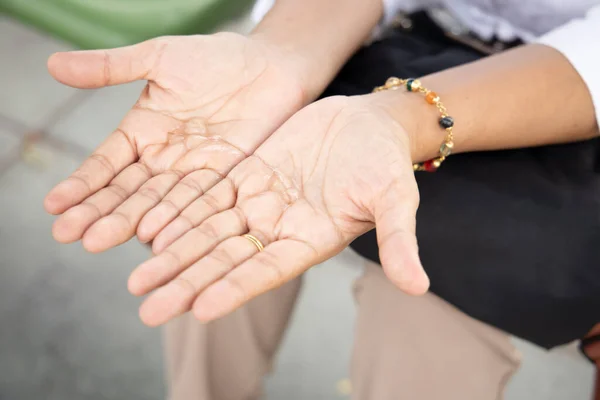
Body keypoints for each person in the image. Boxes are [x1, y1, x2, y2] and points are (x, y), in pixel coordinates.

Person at [43, 0, 600, 398]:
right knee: (215, 220)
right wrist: (280, 58)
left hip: (567, 104)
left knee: (428, 317)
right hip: (417, 39)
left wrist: (405, 119)